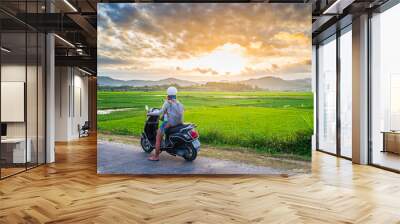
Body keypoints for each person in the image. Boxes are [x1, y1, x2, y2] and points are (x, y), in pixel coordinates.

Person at [148, 86, 184, 161]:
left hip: (170, 123)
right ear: (175, 94)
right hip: (179, 122)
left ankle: (156, 156)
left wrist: (150, 113)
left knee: (158, 136)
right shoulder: (178, 102)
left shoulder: (167, 102)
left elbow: (160, 112)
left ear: (167, 94)